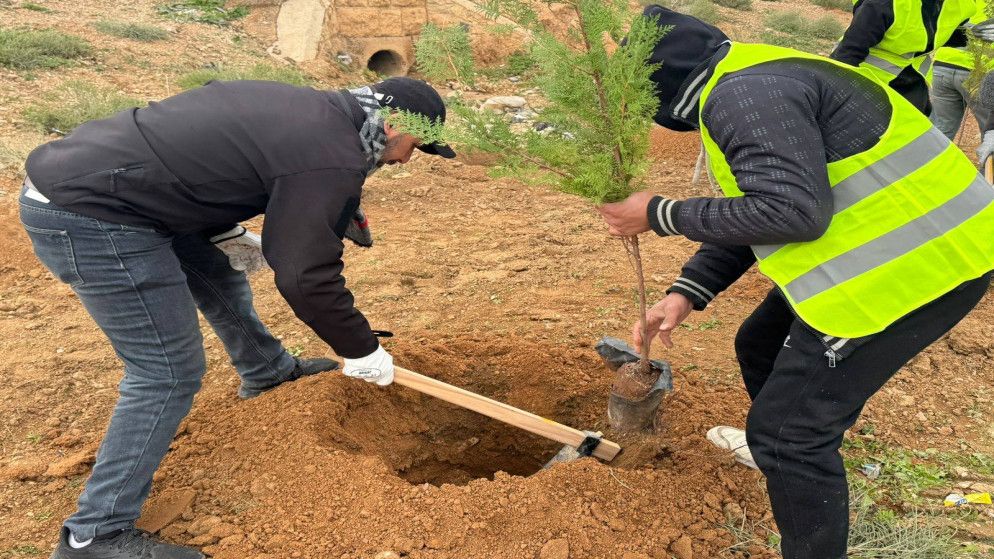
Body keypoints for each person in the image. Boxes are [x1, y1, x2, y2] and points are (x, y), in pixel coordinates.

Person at [599, 6, 994, 559]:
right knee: (758, 342)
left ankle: (793, 453)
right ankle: (793, 454)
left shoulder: (742, 98)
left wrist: (662, 213)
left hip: (919, 268)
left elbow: (793, 212)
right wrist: (687, 292)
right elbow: (760, 206)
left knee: (788, 435)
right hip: (908, 244)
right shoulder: (750, 76)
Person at [22, 76, 455, 559]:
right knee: (165, 372)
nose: (403, 160)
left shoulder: (313, 112)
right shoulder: (330, 151)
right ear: (393, 123)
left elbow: (207, 152)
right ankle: (94, 535)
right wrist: (361, 349)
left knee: (218, 269)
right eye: (414, 146)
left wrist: (225, 229)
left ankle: (265, 370)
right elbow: (304, 273)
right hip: (95, 214)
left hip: (121, 189)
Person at [831, 0, 977, 114]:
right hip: (866, 79)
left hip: (910, 79)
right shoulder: (887, 3)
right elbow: (848, 54)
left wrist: (976, 35)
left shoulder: (961, 4)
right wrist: (837, 100)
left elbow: (941, 33)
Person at [931, 0, 994, 139]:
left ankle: (927, 159)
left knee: (941, 130)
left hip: (941, 66)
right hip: (978, 73)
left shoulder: (962, 3)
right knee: (990, 133)